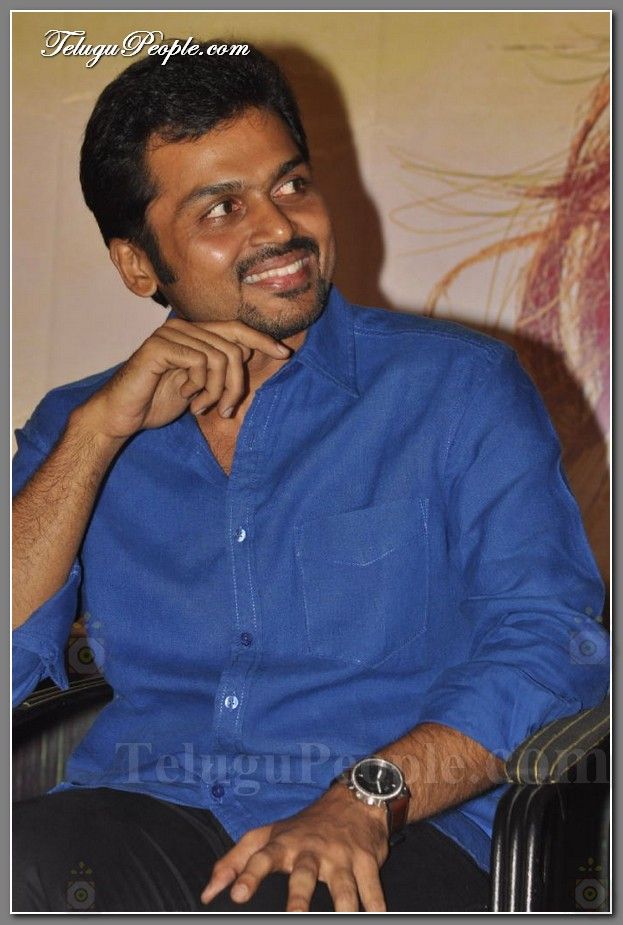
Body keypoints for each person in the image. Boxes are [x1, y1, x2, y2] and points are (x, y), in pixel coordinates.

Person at [12, 41, 609, 913]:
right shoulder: (82, 425)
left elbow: (550, 641)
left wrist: (366, 796)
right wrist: (95, 434)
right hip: (150, 810)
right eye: (222, 207)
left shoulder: (455, 387)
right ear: (138, 263)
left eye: (290, 184)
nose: (278, 228)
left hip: (396, 827)